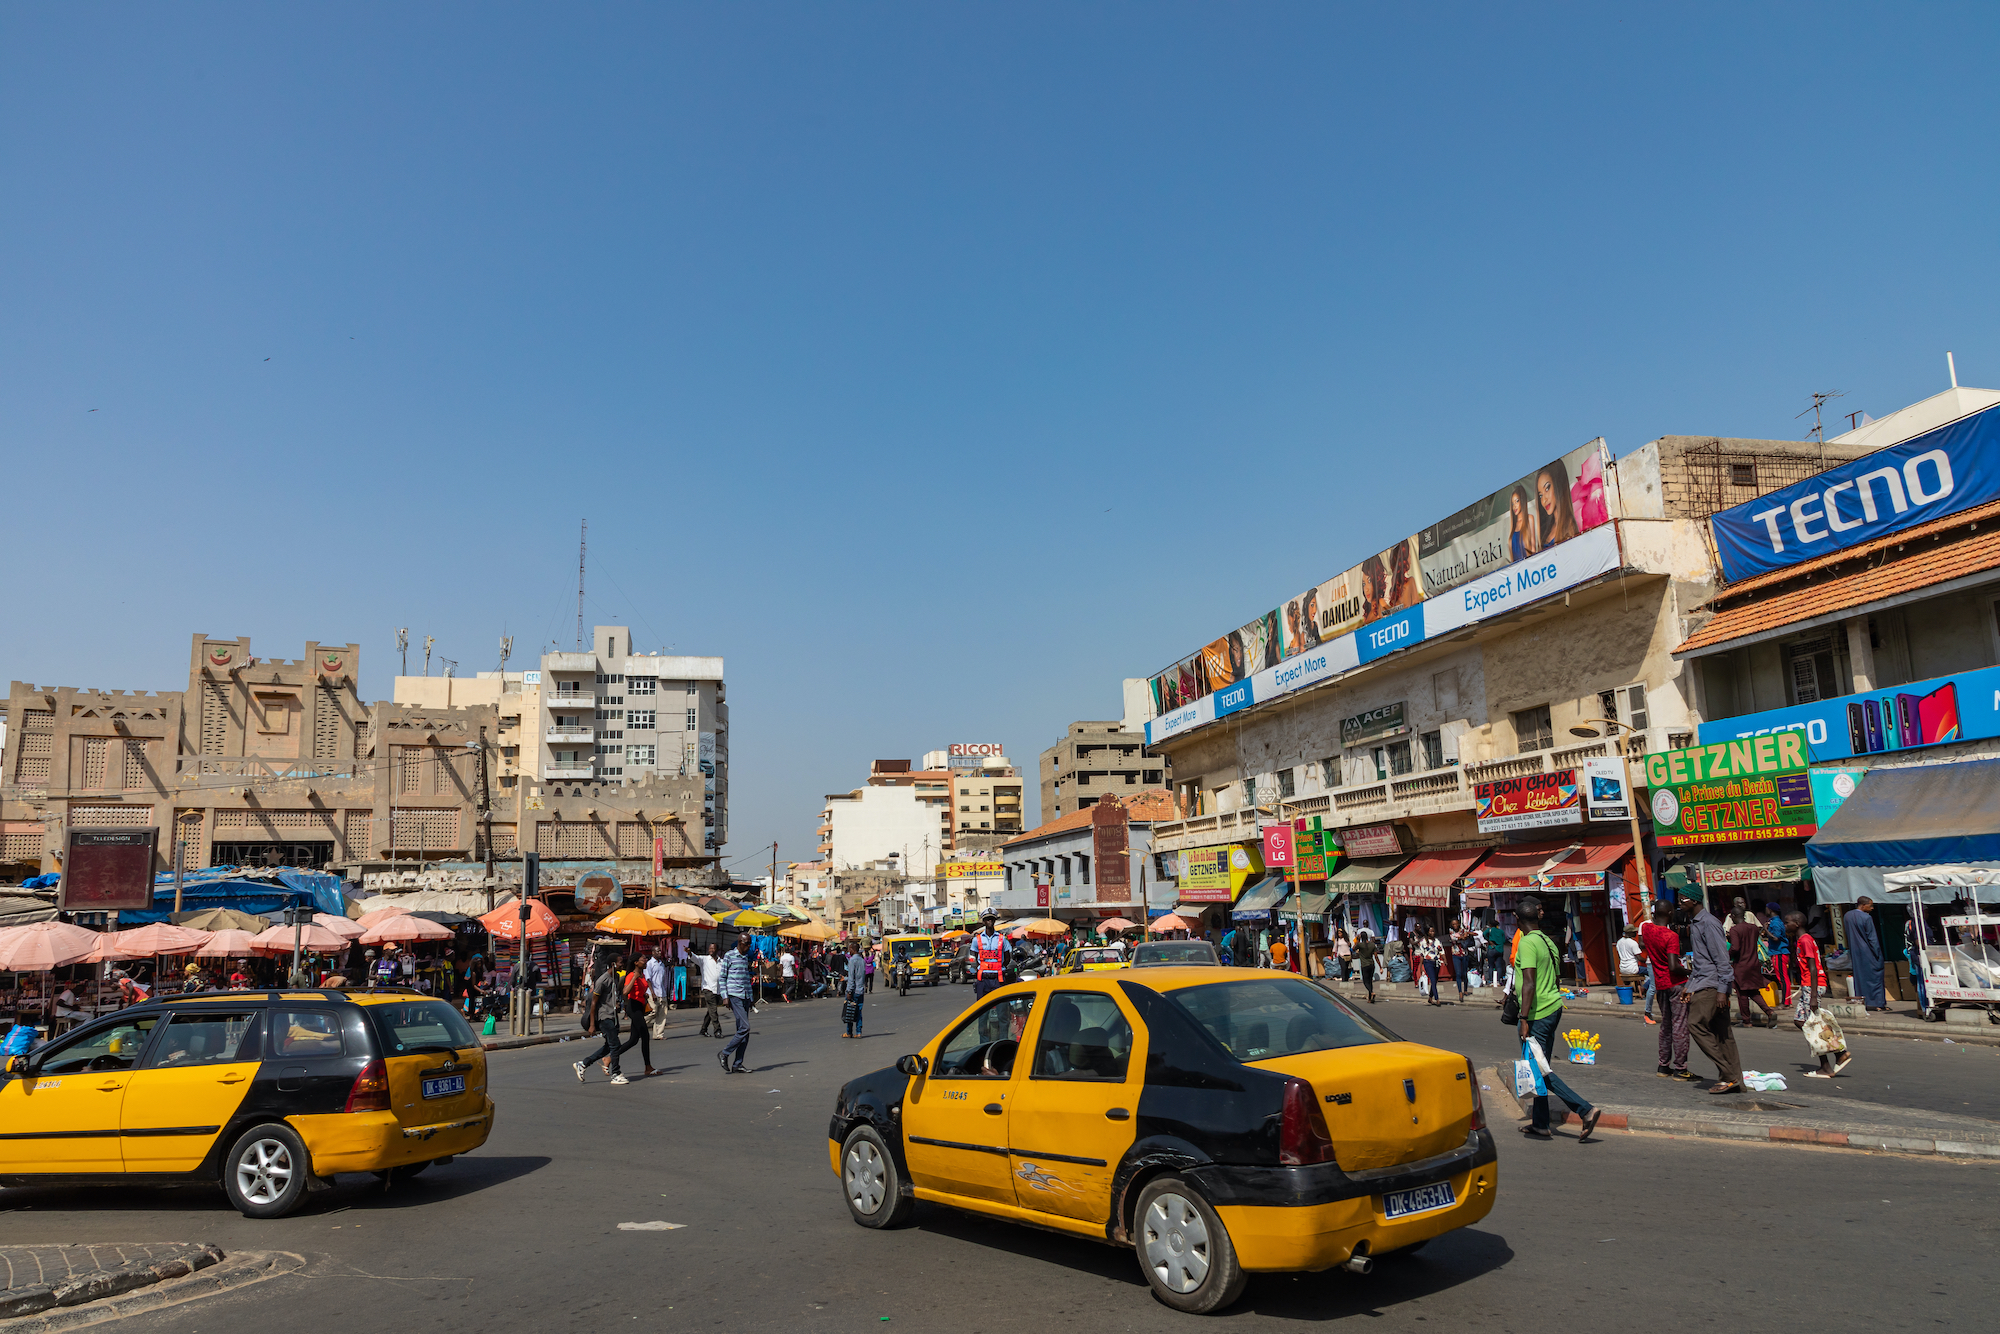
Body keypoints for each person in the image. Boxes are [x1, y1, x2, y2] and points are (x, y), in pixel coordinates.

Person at [1514, 896, 1601, 1142]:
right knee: (1540, 1066)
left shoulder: (1527, 943)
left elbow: (1529, 983)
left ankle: (1585, 1109)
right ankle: (1540, 1124)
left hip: (1537, 1014)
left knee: (1539, 1070)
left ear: (1518, 919)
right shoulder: (1548, 941)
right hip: (1552, 1007)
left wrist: (1523, 1018)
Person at [1687, 897, 1744, 1095]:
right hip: (1704, 982)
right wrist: (1689, 987)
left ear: (1693, 901)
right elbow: (1700, 961)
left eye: (1682, 899)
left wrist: (1722, 990)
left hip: (1712, 985)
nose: (1679, 903)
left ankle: (1729, 1075)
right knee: (1723, 1034)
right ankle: (1736, 1080)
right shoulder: (1695, 923)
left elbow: (1721, 959)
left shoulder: (1708, 923)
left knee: (1695, 1024)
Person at [1787, 912, 1852, 1078]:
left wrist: (1814, 995)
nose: (1785, 926)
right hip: (1810, 985)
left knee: (1810, 1025)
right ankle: (1837, 1055)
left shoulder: (1805, 940)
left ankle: (1832, 1060)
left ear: (1797, 923)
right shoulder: (1803, 939)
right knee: (1802, 1022)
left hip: (1812, 986)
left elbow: (1814, 967)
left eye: (1787, 922)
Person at [1639, 904, 1690, 1075]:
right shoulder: (1671, 936)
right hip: (1675, 983)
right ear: (1670, 913)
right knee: (1680, 1026)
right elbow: (1674, 966)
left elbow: (1642, 942)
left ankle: (1663, 1064)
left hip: (1660, 984)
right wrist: (1690, 971)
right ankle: (1681, 1068)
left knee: (1666, 1025)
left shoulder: (1646, 928)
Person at [573, 955, 633, 1086]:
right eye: (620, 962)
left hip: (613, 1016)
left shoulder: (615, 977)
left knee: (609, 1046)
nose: (622, 964)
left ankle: (583, 1064)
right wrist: (592, 1024)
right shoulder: (602, 980)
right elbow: (594, 1003)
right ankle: (616, 1073)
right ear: (613, 964)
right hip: (604, 1017)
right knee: (615, 1045)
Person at [1727, 897, 1778, 1028]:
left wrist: (1726, 956)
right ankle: (1769, 1011)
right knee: (1753, 992)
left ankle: (1746, 1021)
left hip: (1741, 965)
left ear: (1733, 916)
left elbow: (1735, 948)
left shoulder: (1735, 930)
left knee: (1742, 994)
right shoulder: (1753, 928)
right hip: (1754, 963)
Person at [716, 934, 755, 1074]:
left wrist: (751, 998)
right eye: (747, 943)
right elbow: (722, 977)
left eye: (749, 943)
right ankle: (724, 1053)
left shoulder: (745, 957)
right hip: (734, 995)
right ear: (740, 942)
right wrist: (725, 997)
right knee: (745, 1027)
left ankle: (738, 1063)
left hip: (745, 995)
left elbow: (746, 979)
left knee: (744, 1032)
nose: (749, 946)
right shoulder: (729, 955)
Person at [1843, 897, 1888, 1011]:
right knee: (1875, 977)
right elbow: (1872, 939)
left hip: (1855, 952)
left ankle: (1863, 1001)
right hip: (1868, 952)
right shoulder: (1866, 918)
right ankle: (1877, 1003)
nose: (1872, 908)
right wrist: (1878, 954)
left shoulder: (1847, 916)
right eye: (1870, 905)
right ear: (1863, 905)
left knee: (1860, 977)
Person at [625, 949, 658, 1077]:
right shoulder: (631, 975)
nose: (645, 961)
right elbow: (625, 991)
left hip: (639, 1006)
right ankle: (648, 1067)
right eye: (643, 959)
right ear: (636, 962)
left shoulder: (643, 975)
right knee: (645, 1035)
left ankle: (610, 1058)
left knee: (633, 1040)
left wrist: (644, 994)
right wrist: (634, 978)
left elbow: (641, 988)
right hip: (633, 1007)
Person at [971, 910, 1008, 999]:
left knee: (1001, 1007)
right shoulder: (977, 939)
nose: (990, 921)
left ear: (995, 921)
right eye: (987, 919)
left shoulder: (1002, 939)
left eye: (992, 919)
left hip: (998, 978)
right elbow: (975, 957)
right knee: (981, 1008)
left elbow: (1007, 958)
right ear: (983, 922)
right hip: (983, 978)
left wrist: (1000, 967)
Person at [697, 943, 724, 1038]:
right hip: (708, 988)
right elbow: (694, 957)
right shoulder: (704, 959)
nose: (711, 950)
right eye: (710, 948)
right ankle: (717, 1030)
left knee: (710, 1011)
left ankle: (703, 1029)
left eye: (713, 948)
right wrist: (689, 952)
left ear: (717, 950)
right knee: (713, 1010)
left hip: (717, 989)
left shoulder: (721, 961)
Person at [842, 946, 866, 1038]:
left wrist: (849, 991)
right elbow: (860, 976)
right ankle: (858, 1032)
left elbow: (852, 978)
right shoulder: (862, 960)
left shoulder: (852, 960)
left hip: (854, 990)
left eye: (849, 949)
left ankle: (849, 1032)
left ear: (852, 949)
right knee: (859, 1011)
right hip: (860, 989)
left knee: (849, 1011)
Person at [1353, 930, 1379, 1003]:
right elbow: (1376, 956)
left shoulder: (1360, 945)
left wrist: (1357, 939)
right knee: (1370, 981)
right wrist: (1380, 966)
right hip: (1371, 964)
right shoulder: (1372, 945)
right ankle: (1370, 998)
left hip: (1364, 965)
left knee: (1365, 981)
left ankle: (1371, 992)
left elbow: (1353, 948)